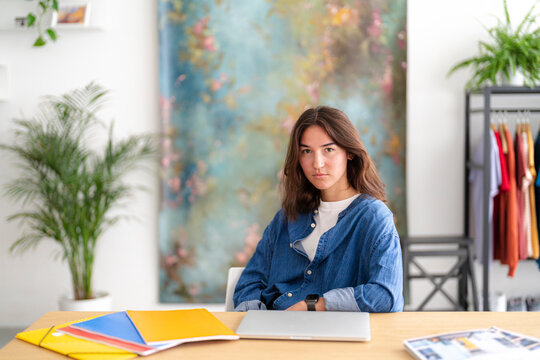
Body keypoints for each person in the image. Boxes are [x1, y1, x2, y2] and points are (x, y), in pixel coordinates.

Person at [233, 106, 403, 312]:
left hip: (338, 335)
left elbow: (386, 295)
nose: (317, 163)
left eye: (328, 149)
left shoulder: (373, 217)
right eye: (307, 151)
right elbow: (249, 282)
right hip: (275, 333)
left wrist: (313, 305)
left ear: (349, 152)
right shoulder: (287, 218)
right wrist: (256, 320)